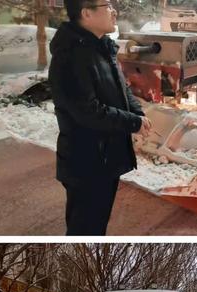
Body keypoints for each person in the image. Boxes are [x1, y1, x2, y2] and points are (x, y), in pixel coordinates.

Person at [49, 0, 151, 235]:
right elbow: (87, 111)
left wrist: (137, 113)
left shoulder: (101, 47)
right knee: (85, 230)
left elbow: (121, 89)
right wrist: (132, 123)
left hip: (105, 158)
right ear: (87, 13)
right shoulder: (70, 56)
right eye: (107, 5)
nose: (114, 11)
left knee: (97, 226)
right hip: (86, 162)